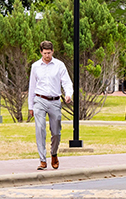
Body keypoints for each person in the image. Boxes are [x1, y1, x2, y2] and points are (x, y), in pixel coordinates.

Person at [27, 40, 73, 170]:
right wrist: (31, 106)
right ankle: (42, 160)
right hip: (40, 100)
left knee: (56, 132)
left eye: (49, 53)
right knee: (40, 128)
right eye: (45, 53)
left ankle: (54, 153)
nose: (47, 55)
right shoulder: (35, 66)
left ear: (53, 51)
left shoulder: (59, 65)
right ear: (41, 52)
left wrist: (68, 94)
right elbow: (32, 86)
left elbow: (67, 82)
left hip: (54, 100)